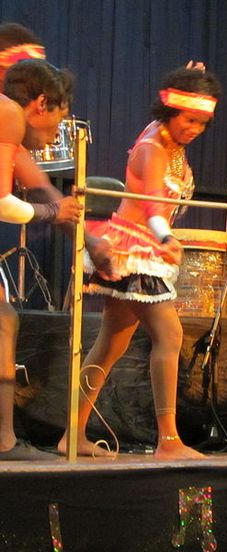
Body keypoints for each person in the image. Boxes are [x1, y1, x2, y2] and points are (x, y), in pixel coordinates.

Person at [57, 63, 221, 460]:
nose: (194, 129)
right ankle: (168, 441)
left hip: (143, 249)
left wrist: (187, 76)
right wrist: (165, 237)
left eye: (202, 122)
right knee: (169, 336)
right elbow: (152, 202)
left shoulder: (172, 143)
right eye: (189, 119)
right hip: (133, 252)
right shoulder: (152, 146)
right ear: (169, 111)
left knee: (109, 345)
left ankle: (71, 435)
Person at [0, 56, 87, 460]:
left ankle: (4, 440)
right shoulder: (8, 113)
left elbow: (33, 184)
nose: (55, 136)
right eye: (56, 122)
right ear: (39, 104)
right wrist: (53, 213)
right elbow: (3, 203)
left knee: (4, 318)